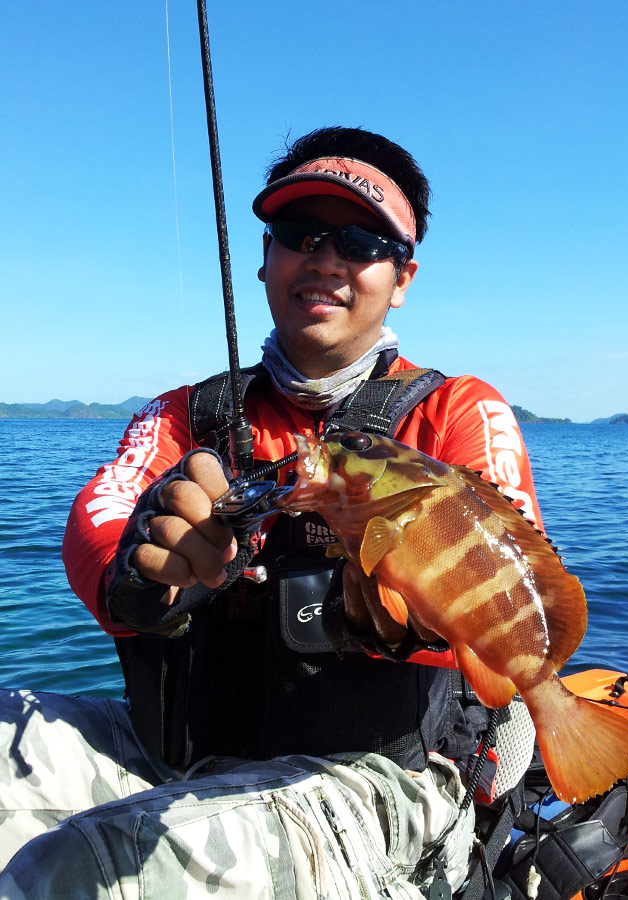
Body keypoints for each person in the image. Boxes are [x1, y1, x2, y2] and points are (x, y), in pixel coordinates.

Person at [0, 126, 544, 897]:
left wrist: (393, 614)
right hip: (175, 752)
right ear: (266, 258)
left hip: (381, 782)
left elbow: (505, 590)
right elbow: (96, 519)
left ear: (402, 278)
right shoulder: (184, 413)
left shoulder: (458, 410)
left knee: (90, 868)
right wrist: (145, 571)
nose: (325, 260)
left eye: (360, 242)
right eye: (301, 234)